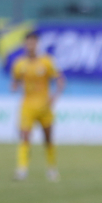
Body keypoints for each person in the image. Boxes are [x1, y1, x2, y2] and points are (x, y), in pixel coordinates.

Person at [11, 32, 65, 182]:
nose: (31, 46)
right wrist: (14, 86)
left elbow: (60, 79)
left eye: (33, 43)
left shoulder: (47, 62)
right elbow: (15, 81)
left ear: (37, 44)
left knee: (48, 139)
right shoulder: (19, 63)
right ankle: (22, 170)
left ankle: (52, 169)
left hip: (44, 106)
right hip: (27, 105)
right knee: (25, 137)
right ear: (24, 45)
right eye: (28, 43)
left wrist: (56, 95)